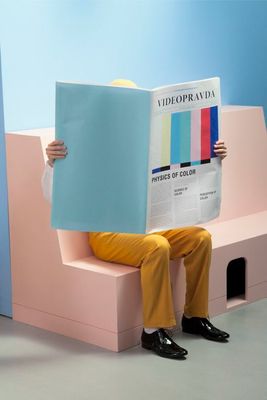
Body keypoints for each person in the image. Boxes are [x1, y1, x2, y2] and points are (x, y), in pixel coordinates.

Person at [42, 79, 229, 360]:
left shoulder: (149, 145)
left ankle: (195, 316)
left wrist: (213, 157)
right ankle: (153, 331)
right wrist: (52, 164)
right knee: (157, 246)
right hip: (108, 235)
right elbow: (51, 197)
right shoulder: (84, 143)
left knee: (200, 238)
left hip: (149, 226)